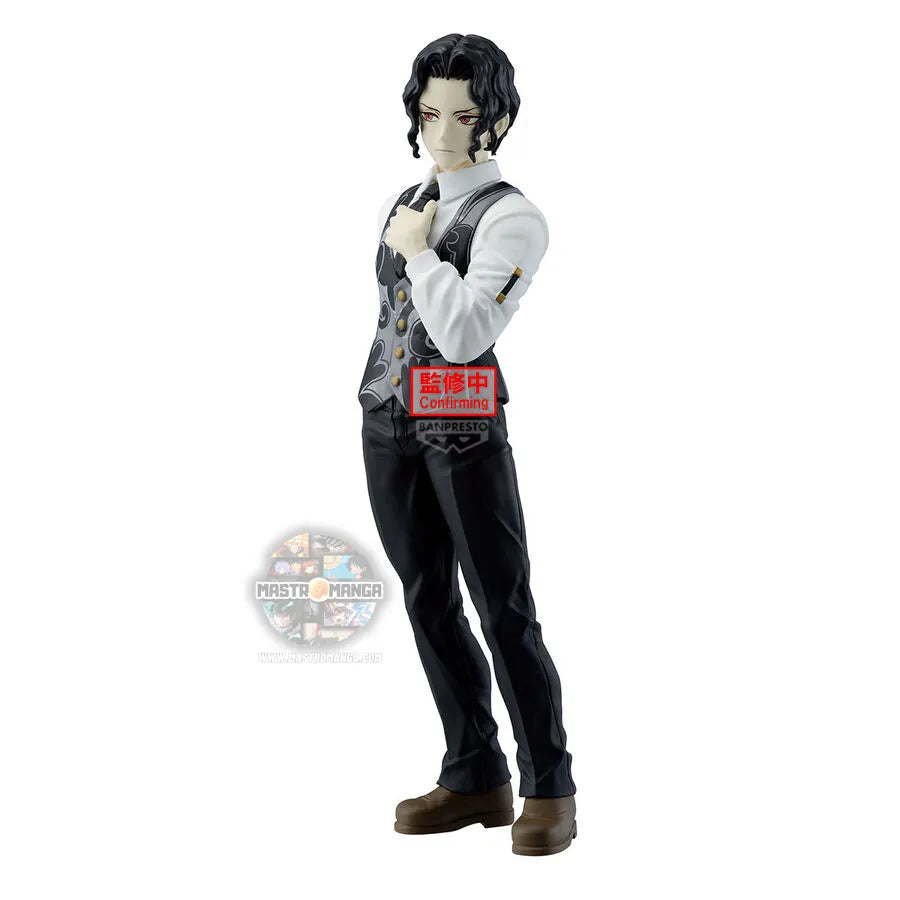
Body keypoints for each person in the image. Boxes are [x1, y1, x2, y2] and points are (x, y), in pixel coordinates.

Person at [358, 33, 576, 856]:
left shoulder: (514, 218)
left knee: (502, 606)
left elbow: (463, 334)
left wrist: (419, 253)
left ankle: (549, 786)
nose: (442, 134)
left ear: (499, 120)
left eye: (464, 116)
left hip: (461, 418)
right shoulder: (406, 199)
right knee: (426, 599)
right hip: (388, 415)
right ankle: (474, 770)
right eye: (429, 114)